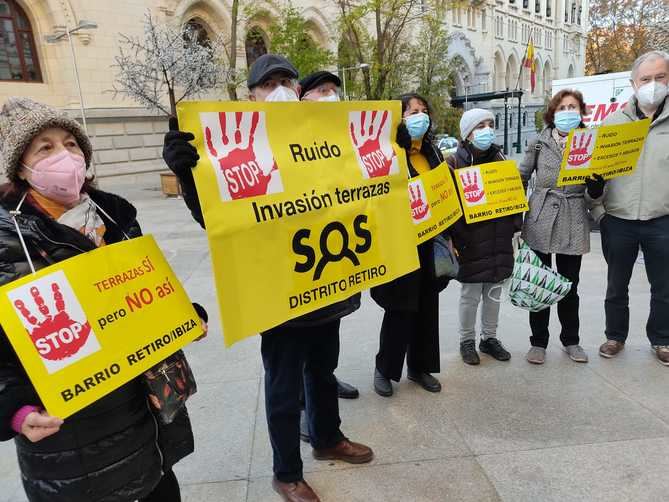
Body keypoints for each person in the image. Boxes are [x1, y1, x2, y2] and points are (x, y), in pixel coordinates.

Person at [162, 54, 373, 502]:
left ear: (298, 91)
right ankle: (286, 473)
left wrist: (384, 152)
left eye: (286, 81)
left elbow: (362, 192)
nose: (279, 89)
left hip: (326, 284)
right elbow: (214, 219)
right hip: (278, 295)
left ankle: (327, 437)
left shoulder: (322, 138)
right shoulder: (237, 149)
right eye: (269, 83)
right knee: (283, 386)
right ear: (252, 95)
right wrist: (187, 172)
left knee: (323, 370)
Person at [0, 98, 201, 502]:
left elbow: (144, 295)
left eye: (72, 143)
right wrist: (15, 413)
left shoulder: (115, 218)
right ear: (19, 166)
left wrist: (182, 317)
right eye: (45, 147)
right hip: (77, 450)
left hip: (150, 422)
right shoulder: (7, 241)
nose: (65, 155)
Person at [591, 50, 669, 366]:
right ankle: (615, 336)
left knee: (664, 286)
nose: (653, 85)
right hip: (619, 219)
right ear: (633, 83)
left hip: (661, 219)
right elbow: (596, 174)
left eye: (660, 77)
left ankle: (662, 339)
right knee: (616, 285)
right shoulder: (612, 123)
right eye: (646, 79)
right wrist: (599, 212)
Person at [371, 93, 448, 397]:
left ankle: (420, 367)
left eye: (424, 111)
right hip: (400, 240)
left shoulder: (432, 151)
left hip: (429, 240)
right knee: (400, 307)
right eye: (412, 111)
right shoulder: (389, 151)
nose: (420, 116)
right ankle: (385, 369)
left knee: (428, 307)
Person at [519, 90, 603, 365]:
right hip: (541, 217)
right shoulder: (539, 143)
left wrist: (595, 189)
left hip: (573, 218)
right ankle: (538, 342)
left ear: (581, 112)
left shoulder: (592, 143)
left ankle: (571, 340)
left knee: (570, 286)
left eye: (573, 107)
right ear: (553, 113)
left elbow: (594, 196)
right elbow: (521, 177)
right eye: (562, 107)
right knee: (538, 283)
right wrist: (513, 213)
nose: (568, 111)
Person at [447, 108, 517, 366]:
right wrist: (458, 236)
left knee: (494, 292)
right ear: (467, 133)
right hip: (471, 239)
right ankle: (467, 341)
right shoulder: (454, 163)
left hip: (498, 238)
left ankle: (489, 338)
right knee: (471, 294)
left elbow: (514, 198)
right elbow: (448, 205)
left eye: (490, 124)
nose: (486, 130)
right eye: (480, 126)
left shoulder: (501, 160)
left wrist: (514, 226)